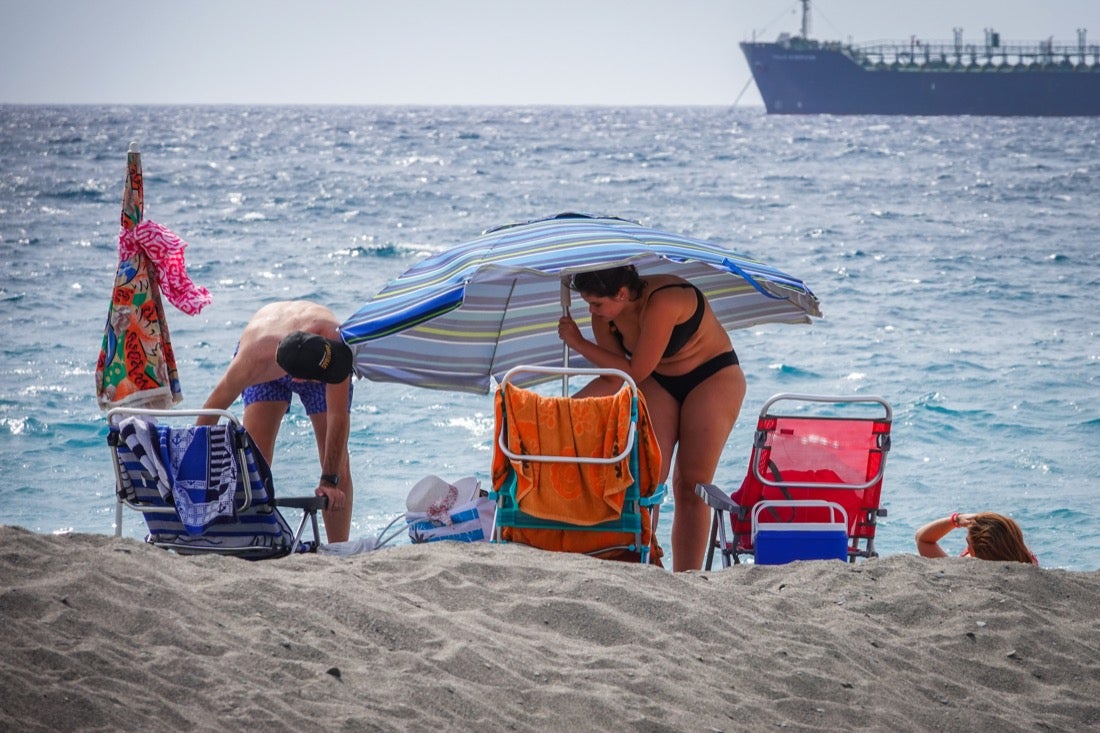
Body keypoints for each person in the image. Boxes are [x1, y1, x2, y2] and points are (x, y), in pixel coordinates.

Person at [558, 265, 746, 572]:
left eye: (596, 304)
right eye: (588, 304)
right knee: (645, 482)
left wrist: (578, 343)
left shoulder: (665, 300)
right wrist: (558, 410)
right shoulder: (604, 315)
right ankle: (645, 564)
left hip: (712, 376)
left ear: (621, 293)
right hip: (659, 380)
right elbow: (614, 378)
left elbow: (636, 371)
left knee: (691, 483)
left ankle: (688, 577)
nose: (592, 311)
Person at [198, 300, 355, 543]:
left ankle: (339, 547)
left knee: (336, 462)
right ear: (302, 381)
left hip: (309, 352)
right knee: (254, 463)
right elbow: (210, 411)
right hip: (267, 354)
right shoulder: (251, 361)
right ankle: (249, 537)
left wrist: (329, 480)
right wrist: (192, 464)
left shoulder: (333, 342)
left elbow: (338, 416)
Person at [915, 512, 1038, 565]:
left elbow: (922, 539)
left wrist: (956, 520)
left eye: (968, 544)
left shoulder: (964, 570)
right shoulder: (1025, 558)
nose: (967, 548)